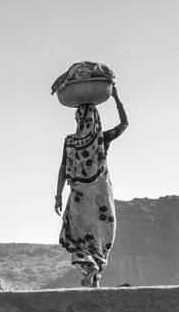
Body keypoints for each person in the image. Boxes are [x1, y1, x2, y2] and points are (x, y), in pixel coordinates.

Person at [54, 85, 128, 287]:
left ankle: (92, 274)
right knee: (100, 236)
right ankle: (95, 273)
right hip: (101, 197)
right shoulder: (102, 139)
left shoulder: (70, 142)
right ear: (95, 118)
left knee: (77, 237)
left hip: (79, 198)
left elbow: (63, 169)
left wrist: (58, 196)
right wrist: (116, 98)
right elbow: (124, 124)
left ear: (78, 119)